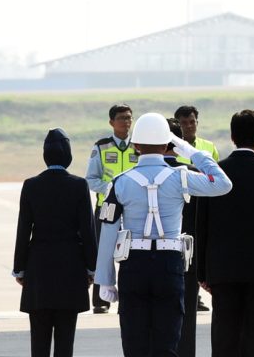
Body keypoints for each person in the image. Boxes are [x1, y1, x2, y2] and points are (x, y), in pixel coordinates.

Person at [95, 112, 233, 357]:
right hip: (169, 265)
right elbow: (223, 183)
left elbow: (108, 231)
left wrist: (106, 280)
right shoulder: (180, 177)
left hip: (133, 265)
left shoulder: (120, 182)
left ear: (136, 145)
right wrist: (190, 151)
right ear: (167, 144)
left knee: (134, 340)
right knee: (168, 340)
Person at [195, 109, 254, 357]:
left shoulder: (214, 171)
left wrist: (203, 272)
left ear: (232, 136)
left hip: (222, 268)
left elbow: (203, 223)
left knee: (224, 333)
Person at [15, 129, 96, 357]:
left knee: (38, 342)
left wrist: (19, 268)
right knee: (65, 340)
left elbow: (23, 230)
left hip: (38, 269)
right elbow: (88, 231)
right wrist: (91, 268)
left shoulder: (31, 185)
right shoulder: (79, 185)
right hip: (71, 269)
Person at [85, 103, 137, 314]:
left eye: (129, 118)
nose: (126, 122)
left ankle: (128, 296)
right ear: (111, 122)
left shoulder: (139, 146)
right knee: (103, 252)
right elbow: (90, 179)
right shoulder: (102, 146)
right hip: (107, 207)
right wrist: (111, 189)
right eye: (122, 118)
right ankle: (100, 300)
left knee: (131, 253)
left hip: (133, 208)